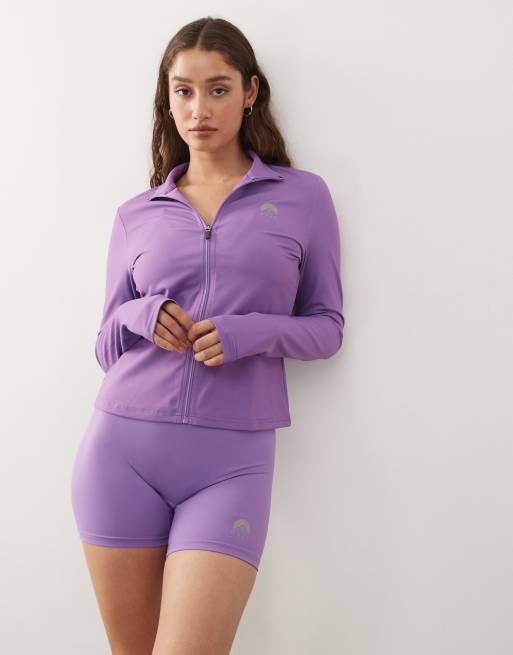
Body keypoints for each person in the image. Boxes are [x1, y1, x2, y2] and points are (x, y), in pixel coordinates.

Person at [70, 15, 345, 655]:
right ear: (167, 100)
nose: (200, 109)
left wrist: (252, 333)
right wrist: (141, 316)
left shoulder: (302, 197)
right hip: (120, 453)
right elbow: (106, 344)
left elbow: (327, 328)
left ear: (250, 92)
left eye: (218, 89)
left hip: (232, 463)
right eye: (184, 91)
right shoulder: (137, 214)